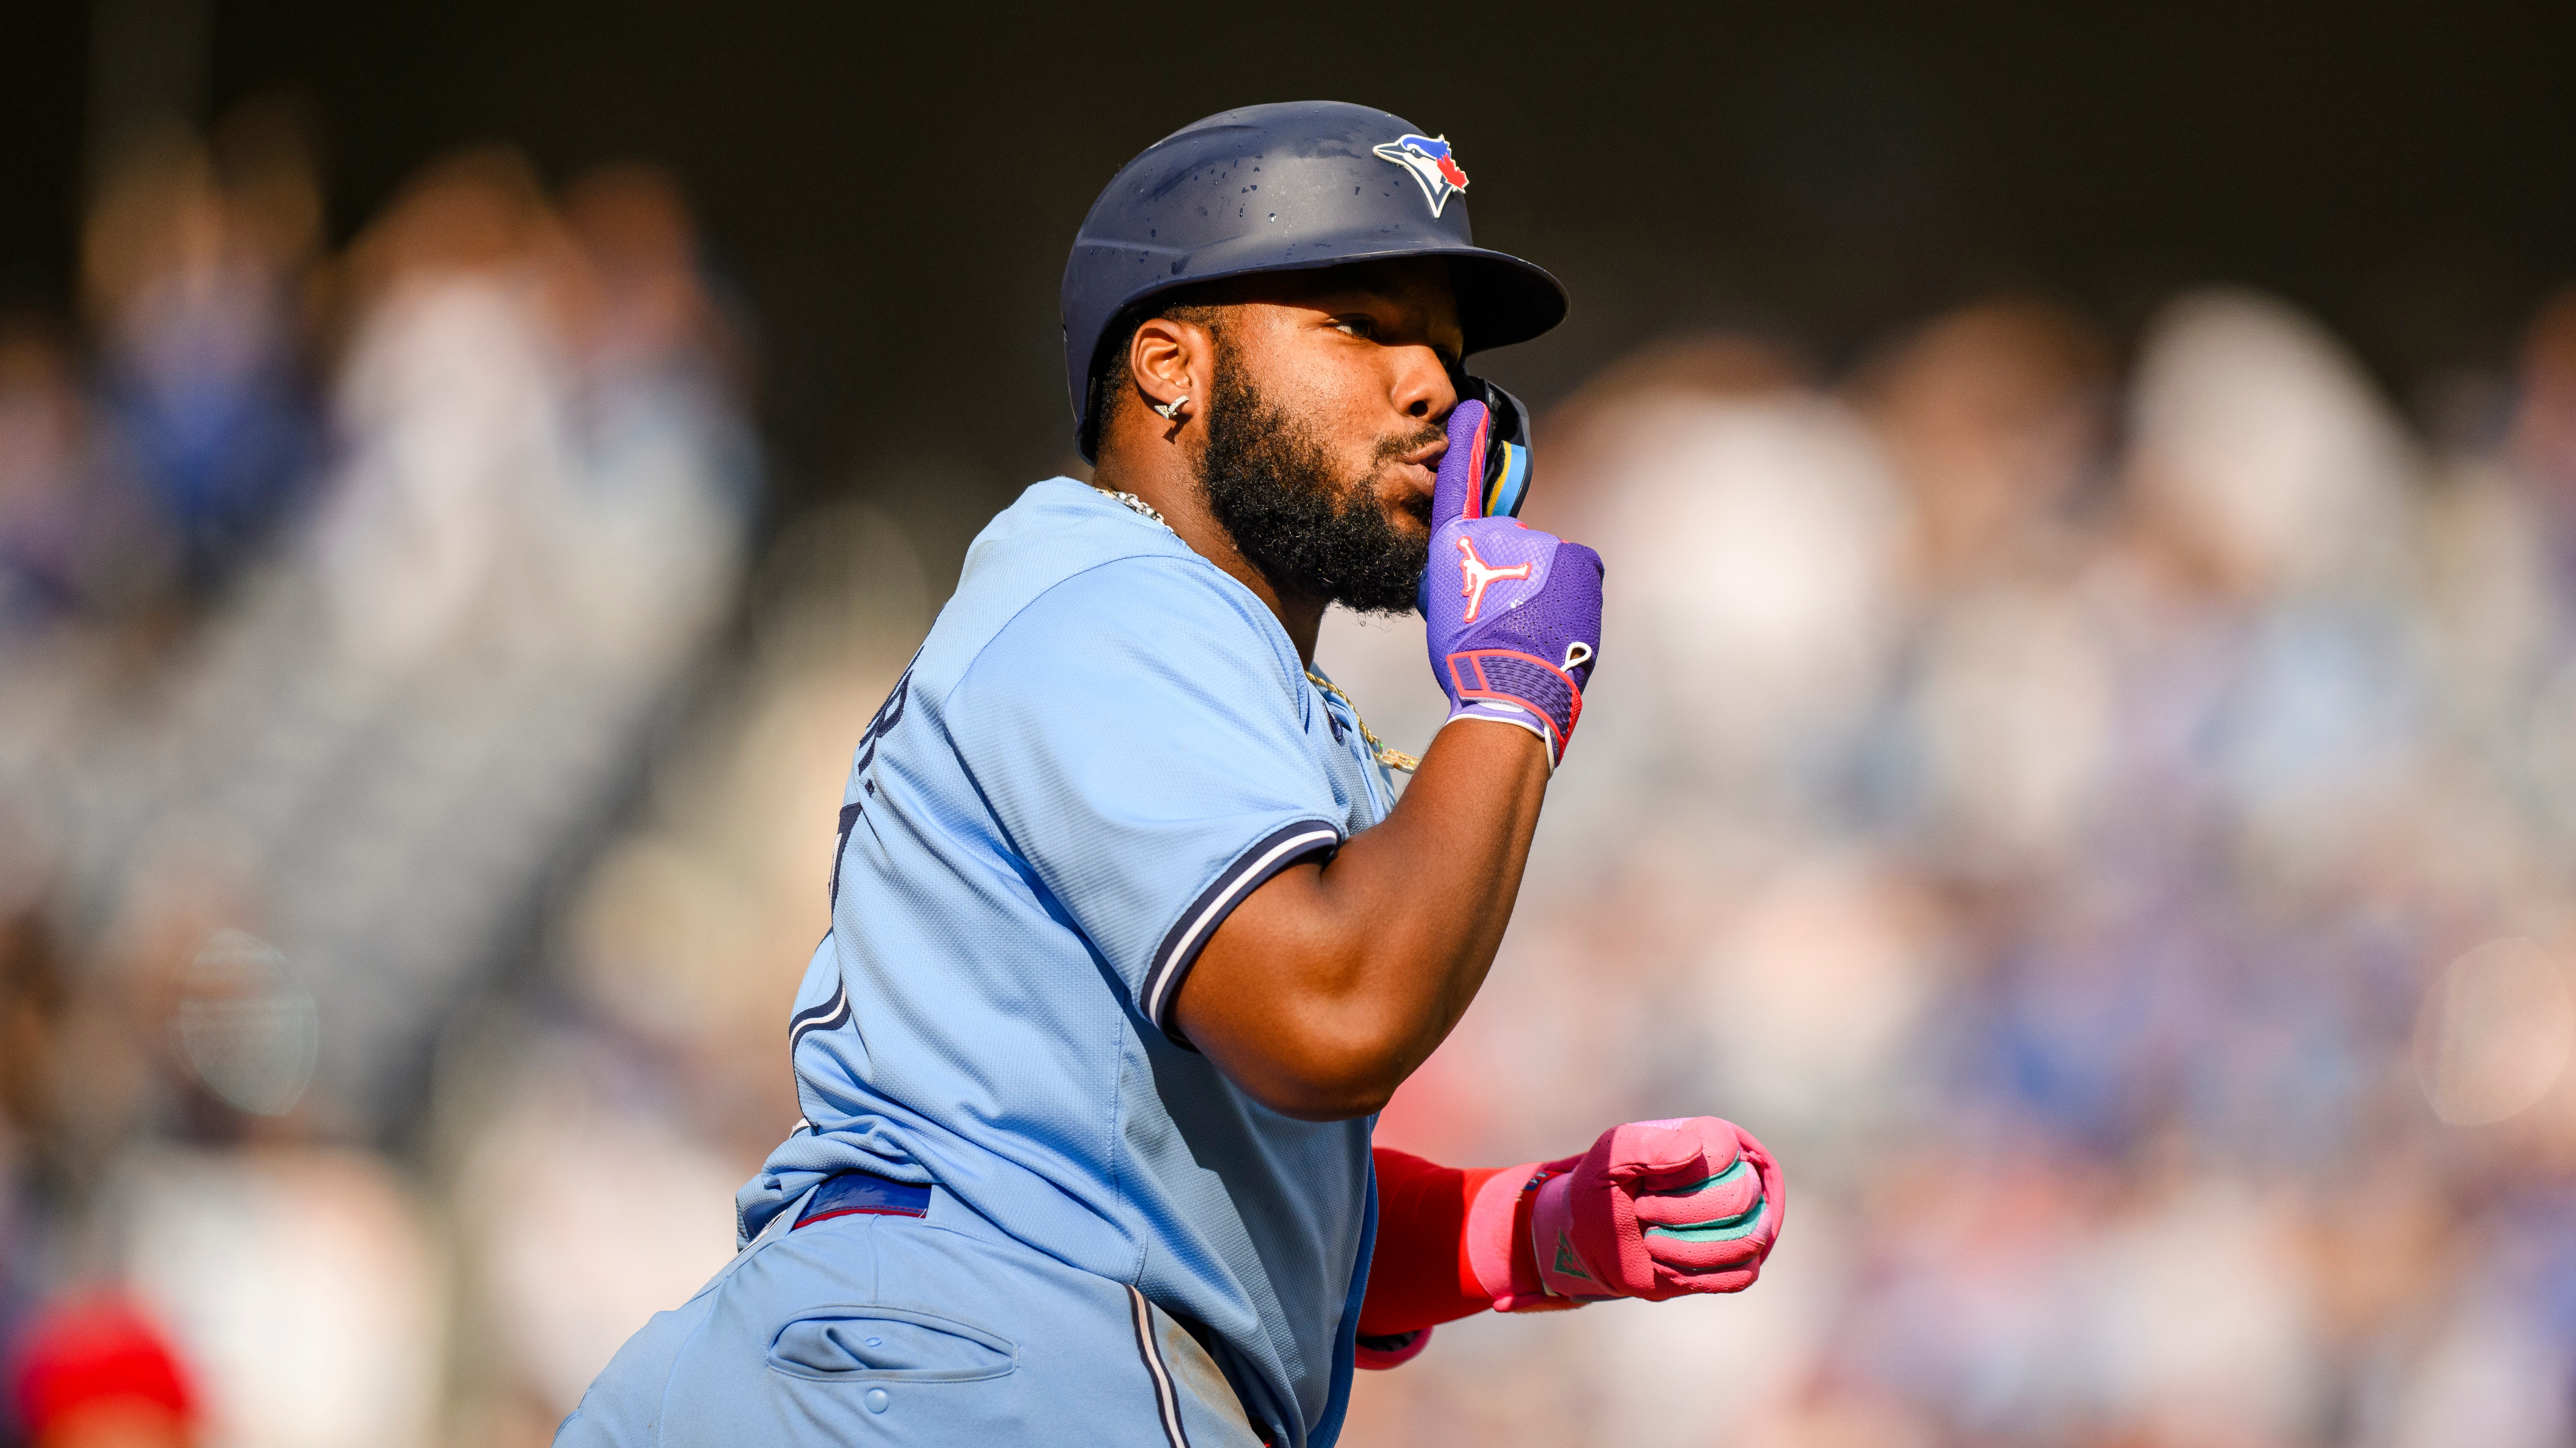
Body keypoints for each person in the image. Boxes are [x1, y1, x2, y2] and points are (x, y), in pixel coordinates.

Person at [557, 100, 1784, 1448]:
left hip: (892, 1358)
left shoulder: (1185, 655)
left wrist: (1527, 1227)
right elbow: (1331, 1012)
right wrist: (1508, 702)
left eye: (1446, 350)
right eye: (1360, 325)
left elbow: (1187, 1195)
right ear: (1168, 367)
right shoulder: (1119, 598)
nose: (1436, 388)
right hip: (962, 1375)